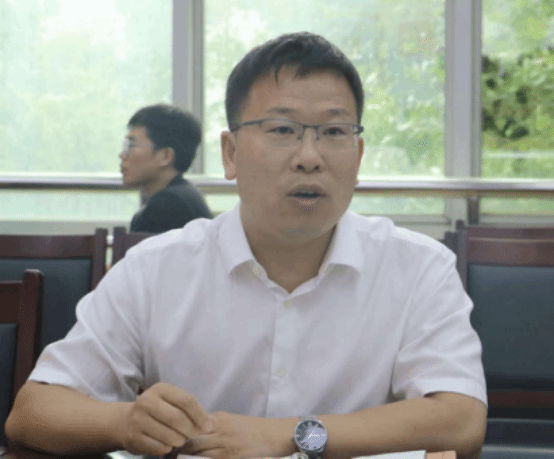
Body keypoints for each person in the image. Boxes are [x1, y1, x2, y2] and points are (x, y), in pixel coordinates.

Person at [5, 33, 487, 459]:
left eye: (334, 132)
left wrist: (290, 435)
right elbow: (32, 414)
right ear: (230, 153)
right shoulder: (155, 268)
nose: (310, 157)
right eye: (283, 130)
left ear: (358, 155)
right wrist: (125, 422)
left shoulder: (419, 267)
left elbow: (461, 420)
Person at [121, 104, 212, 233]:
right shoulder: (184, 195)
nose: (122, 155)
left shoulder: (168, 206)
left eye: (131, 145)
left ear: (165, 156)